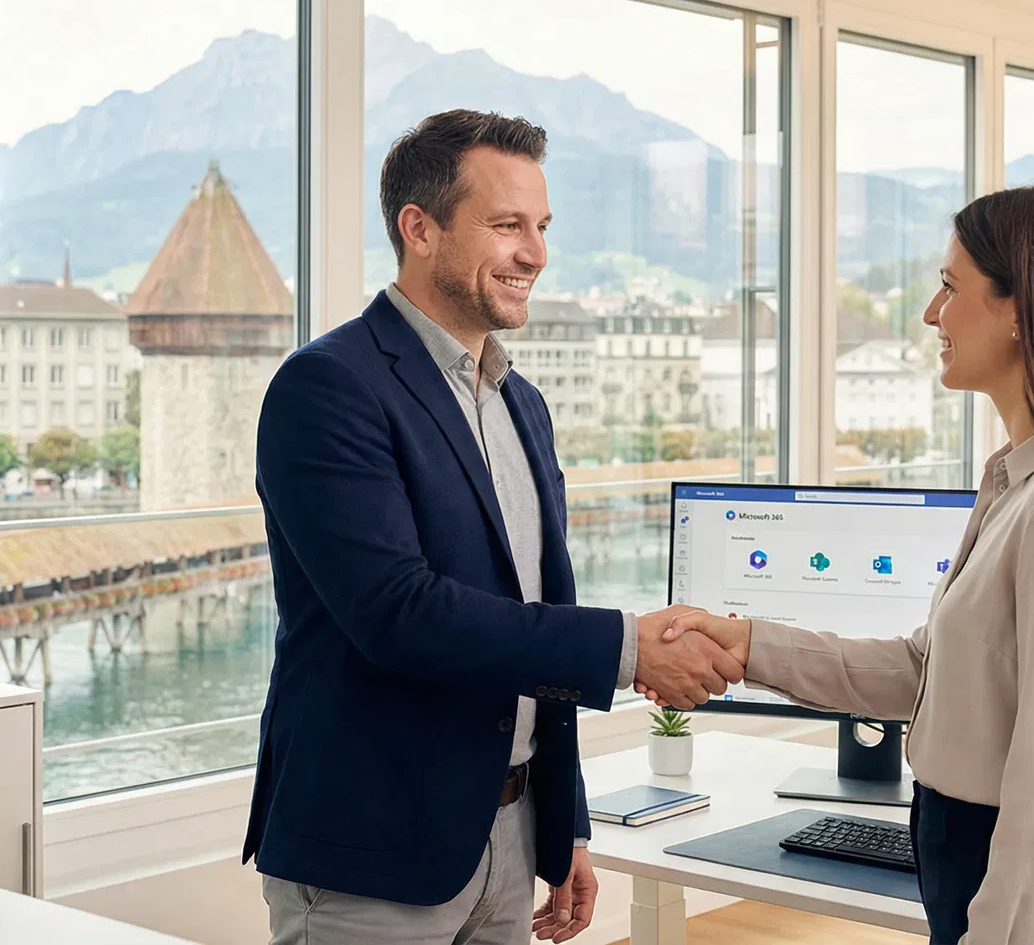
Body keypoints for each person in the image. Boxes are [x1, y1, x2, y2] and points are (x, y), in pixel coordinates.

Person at [645, 185, 1034, 945]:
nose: (930, 313)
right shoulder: (1019, 483)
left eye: (950, 286)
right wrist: (747, 644)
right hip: (985, 867)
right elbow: (926, 673)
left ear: (1022, 308)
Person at [246, 108, 743, 945]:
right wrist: (629, 647)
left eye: (542, 226)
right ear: (420, 229)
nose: (536, 253)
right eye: (507, 225)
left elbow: (535, 613)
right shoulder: (327, 387)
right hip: (373, 848)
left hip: (510, 837)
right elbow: (397, 613)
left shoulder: (522, 404)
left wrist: (565, 823)